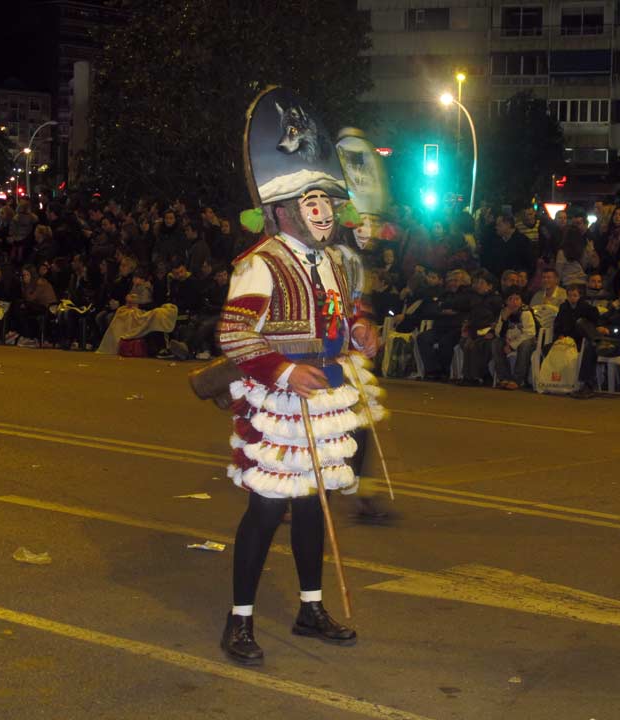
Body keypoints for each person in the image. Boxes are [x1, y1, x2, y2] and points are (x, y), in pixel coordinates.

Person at [216, 88, 381, 666]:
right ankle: (239, 621)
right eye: (311, 203)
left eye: (327, 203)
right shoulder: (258, 264)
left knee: (312, 505)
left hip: (326, 397)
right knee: (266, 509)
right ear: (281, 211)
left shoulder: (336, 261)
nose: (324, 213)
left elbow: (343, 313)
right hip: (277, 404)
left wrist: (361, 329)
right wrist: (286, 371)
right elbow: (235, 336)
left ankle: (310, 608)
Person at [570, 276, 620, 399]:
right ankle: (598, 341)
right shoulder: (619, 305)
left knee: (590, 345)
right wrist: (611, 311)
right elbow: (601, 319)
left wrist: (611, 331)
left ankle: (587, 386)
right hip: (606, 339)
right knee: (582, 322)